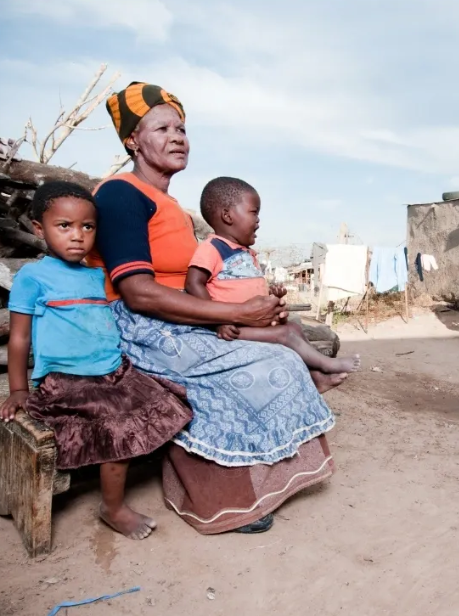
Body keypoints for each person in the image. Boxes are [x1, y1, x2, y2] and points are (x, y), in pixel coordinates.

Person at [86, 82, 339, 535]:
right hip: (139, 327)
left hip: (175, 319)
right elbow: (138, 293)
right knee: (262, 366)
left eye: (181, 128)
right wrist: (236, 315)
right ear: (133, 140)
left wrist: (253, 308)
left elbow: (199, 283)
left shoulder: (173, 209)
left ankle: (262, 480)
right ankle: (219, 500)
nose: (177, 137)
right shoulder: (120, 194)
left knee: (281, 349)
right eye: (162, 128)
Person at [0, 181, 193, 540]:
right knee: (117, 428)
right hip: (67, 380)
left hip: (113, 372)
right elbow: (19, 338)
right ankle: (112, 508)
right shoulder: (32, 277)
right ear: (39, 229)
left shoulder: (94, 275)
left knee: (169, 400)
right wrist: (18, 389)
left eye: (87, 227)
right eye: (64, 226)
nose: (78, 236)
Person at [185, 176, 361, 376]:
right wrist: (218, 321)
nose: (258, 221)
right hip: (232, 329)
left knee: (294, 328)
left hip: (251, 323)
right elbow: (193, 283)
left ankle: (311, 371)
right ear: (227, 216)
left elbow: (244, 290)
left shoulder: (246, 253)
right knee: (286, 334)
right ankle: (326, 365)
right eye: (254, 212)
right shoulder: (212, 248)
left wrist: (273, 298)